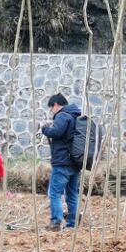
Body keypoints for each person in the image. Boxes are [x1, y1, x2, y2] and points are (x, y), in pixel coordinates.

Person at [42, 92, 84, 229]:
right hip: (75, 162)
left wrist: (45, 129)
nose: (51, 111)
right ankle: (72, 223)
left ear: (55, 105)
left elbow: (57, 132)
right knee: (72, 195)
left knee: (54, 193)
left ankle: (56, 221)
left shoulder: (62, 115)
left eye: (51, 108)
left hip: (62, 162)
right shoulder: (76, 116)